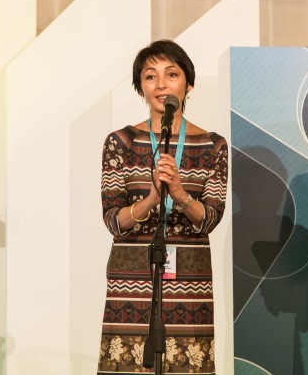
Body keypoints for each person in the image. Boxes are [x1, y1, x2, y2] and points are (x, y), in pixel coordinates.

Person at [97, 40, 228, 374]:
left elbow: (210, 219)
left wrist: (180, 195)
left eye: (171, 74)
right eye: (150, 76)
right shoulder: (120, 143)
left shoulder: (213, 145)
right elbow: (113, 221)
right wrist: (152, 200)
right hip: (131, 286)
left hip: (190, 285)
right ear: (140, 87)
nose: (161, 85)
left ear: (188, 84)